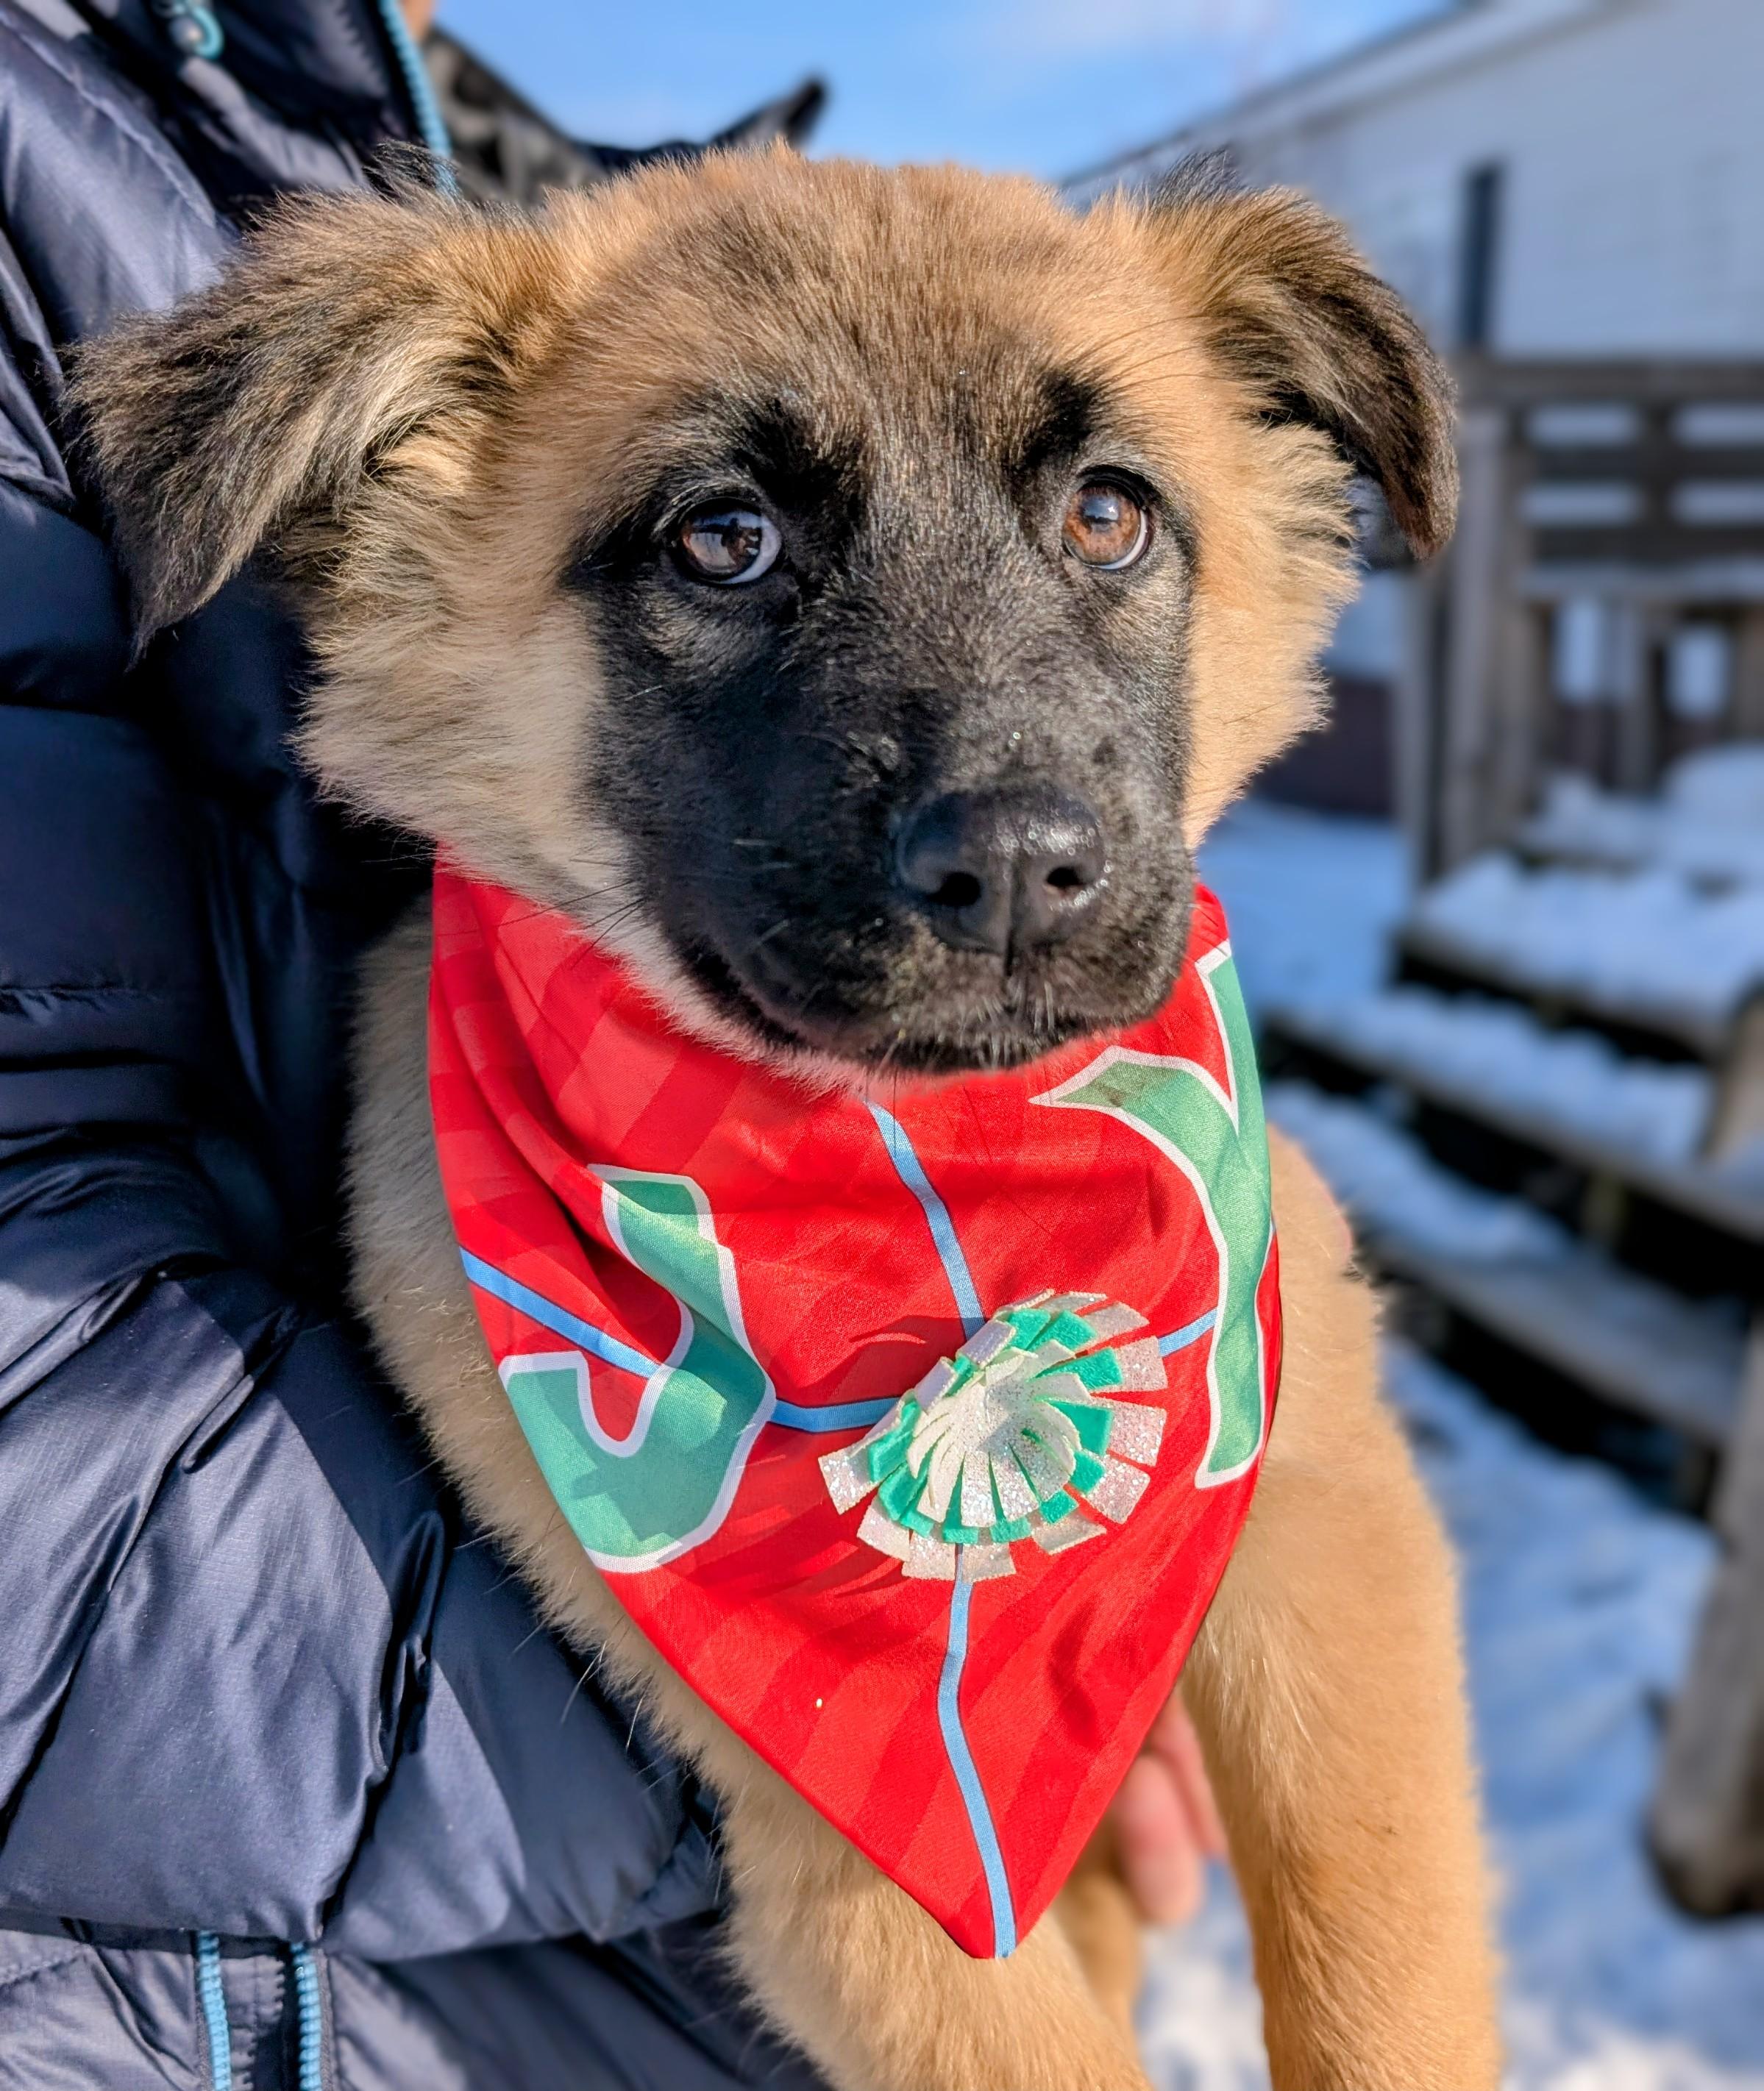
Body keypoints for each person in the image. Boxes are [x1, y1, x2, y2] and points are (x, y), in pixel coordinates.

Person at [0, 4, 1222, 2082]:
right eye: (727, 546)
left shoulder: (294, 85)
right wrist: (865, 1712)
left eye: (1099, 518)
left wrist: (1063, 1607)